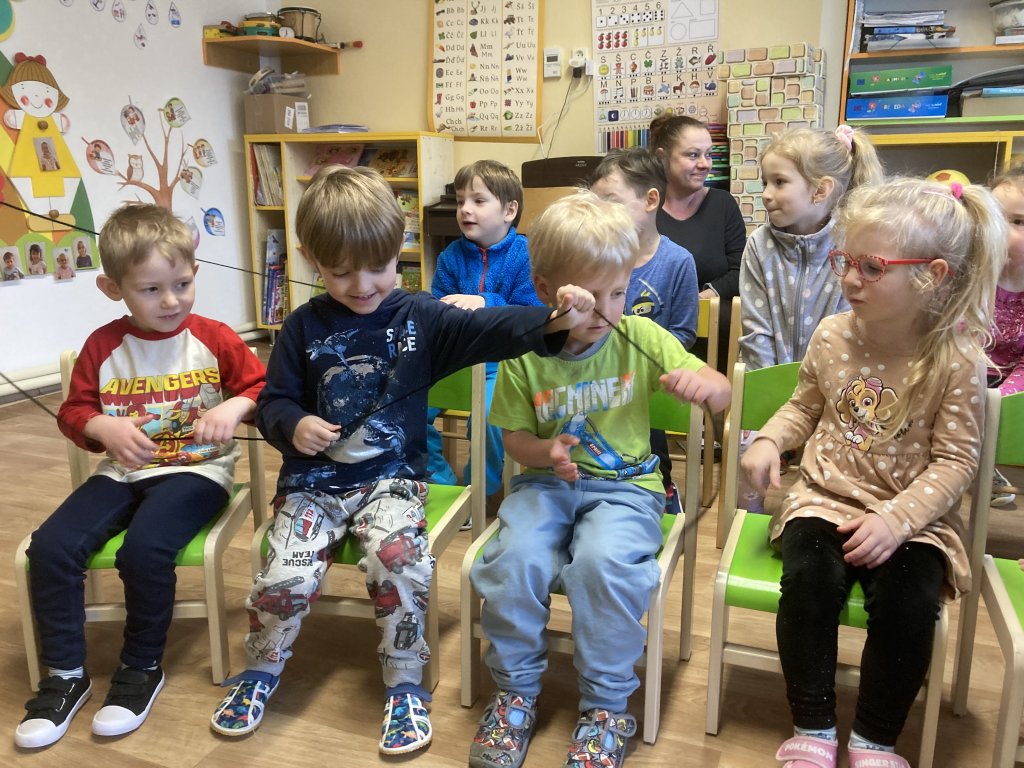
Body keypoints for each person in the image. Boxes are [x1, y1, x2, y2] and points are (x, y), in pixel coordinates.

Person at [209, 165, 596, 756]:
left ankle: (405, 684)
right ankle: (259, 671)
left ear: (400, 252)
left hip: (392, 483)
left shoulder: (422, 315)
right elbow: (274, 401)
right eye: (342, 272)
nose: (363, 284)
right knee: (284, 574)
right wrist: (293, 424)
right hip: (313, 485)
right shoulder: (300, 326)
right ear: (312, 260)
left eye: (379, 266)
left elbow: (493, 327)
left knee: (398, 564)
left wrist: (553, 319)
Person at [740, 177, 1004, 768]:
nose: (850, 279)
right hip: (824, 495)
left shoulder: (955, 359)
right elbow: (804, 407)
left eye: (872, 267)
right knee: (808, 582)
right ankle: (812, 727)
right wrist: (770, 439)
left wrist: (896, 520)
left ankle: (874, 740)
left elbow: (956, 462)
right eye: (845, 260)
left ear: (931, 276)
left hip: (914, 518)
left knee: (911, 602)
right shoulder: (832, 334)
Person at [468, 191, 730, 768]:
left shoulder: (642, 337)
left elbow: (721, 389)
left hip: (627, 492)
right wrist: (546, 450)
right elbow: (514, 441)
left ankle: (607, 707)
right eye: (588, 298)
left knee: (601, 565)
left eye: (618, 293)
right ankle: (515, 693)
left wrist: (708, 387)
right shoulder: (525, 352)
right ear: (545, 291)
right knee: (514, 561)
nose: (606, 311)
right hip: (545, 487)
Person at [14, 203, 266, 749]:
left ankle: (140, 667)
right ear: (113, 289)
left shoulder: (215, 337)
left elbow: (265, 387)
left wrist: (237, 405)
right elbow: (73, 412)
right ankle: (65, 675)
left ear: (195, 272)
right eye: (151, 290)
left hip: (198, 472)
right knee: (50, 547)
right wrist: (100, 425)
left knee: (145, 550)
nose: (171, 301)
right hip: (122, 474)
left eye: (182, 284)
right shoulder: (103, 346)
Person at [735, 124, 883, 512]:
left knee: (838, 474)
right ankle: (744, 525)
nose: (766, 194)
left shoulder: (850, 245)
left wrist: (820, 397)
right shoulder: (759, 246)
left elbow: (854, 331)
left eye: (779, 182)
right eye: (765, 182)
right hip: (768, 382)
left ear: (820, 190)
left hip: (839, 390)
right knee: (747, 457)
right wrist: (769, 398)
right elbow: (756, 330)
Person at [426, 159, 543, 504]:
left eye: (478, 201)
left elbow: (532, 313)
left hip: (503, 364)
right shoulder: (450, 256)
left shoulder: (526, 255)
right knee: (407, 407)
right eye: (461, 201)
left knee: (491, 420)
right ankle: (443, 487)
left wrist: (483, 301)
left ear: (509, 210)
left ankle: (479, 492)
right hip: (454, 359)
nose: (465, 209)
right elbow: (436, 307)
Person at [590, 146, 700, 513]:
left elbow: (684, 333)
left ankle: (662, 489)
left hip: (651, 379)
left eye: (611, 201)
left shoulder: (678, 261)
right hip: (597, 376)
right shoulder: (594, 258)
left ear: (651, 200)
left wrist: (641, 357)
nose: (600, 214)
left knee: (649, 443)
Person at [650, 114, 746, 372]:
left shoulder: (723, 205)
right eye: (693, 155)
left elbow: (741, 270)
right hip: (655, 339)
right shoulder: (645, 208)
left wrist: (700, 298)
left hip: (715, 342)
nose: (704, 164)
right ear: (662, 157)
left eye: (708, 155)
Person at [988, 163, 1024, 506]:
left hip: (1011, 387)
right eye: (993, 217)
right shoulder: (972, 277)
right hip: (964, 374)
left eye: (1018, 221)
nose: (1000, 230)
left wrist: (1000, 400)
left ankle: (989, 468)